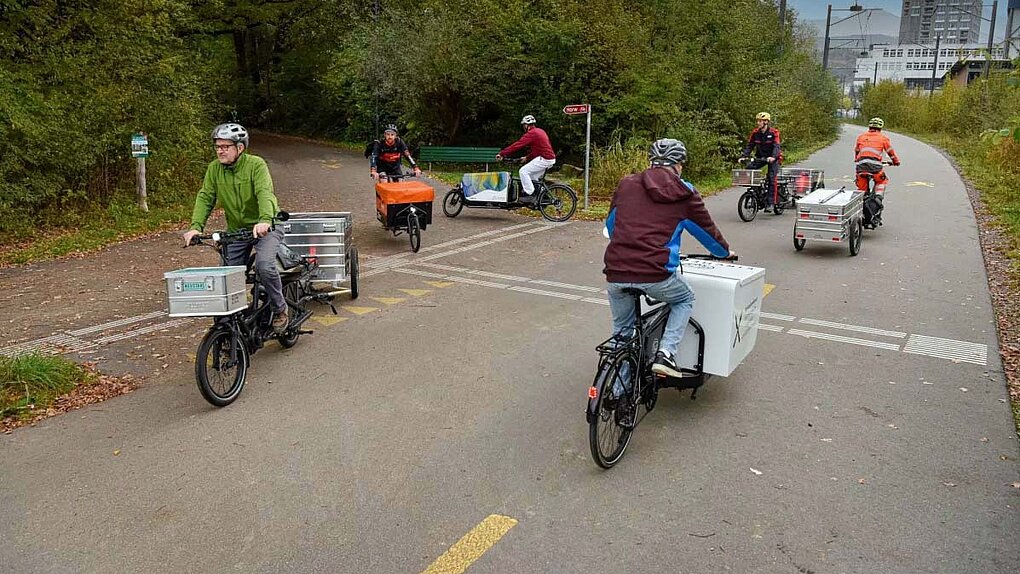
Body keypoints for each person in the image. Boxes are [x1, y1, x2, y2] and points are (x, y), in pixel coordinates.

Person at [603, 138, 734, 379]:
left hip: (616, 272)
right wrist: (724, 253)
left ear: (652, 161)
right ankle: (665, 354)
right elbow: (707, 233)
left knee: (622, 333)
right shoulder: (685, 192)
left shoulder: (626, 184)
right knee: (684, 298)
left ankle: (617, 391)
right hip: (655, 273)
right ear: (678, 165)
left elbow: (612, 226)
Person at [182, 123, 289, 333]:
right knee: (225, 276)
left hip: (266, 227)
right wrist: (195, 227)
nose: (220, 151)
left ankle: (280, 309)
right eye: (217, 146)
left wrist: (265, 219)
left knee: (264, 266)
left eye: (225, 146)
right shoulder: (214, 169)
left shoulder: (256, 165)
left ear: (240, 148)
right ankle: (231, 320)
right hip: (237, 232)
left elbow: (264, 193)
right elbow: (205, 197)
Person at [495, 115, 556, 204]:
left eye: (524, 125)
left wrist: (502, 153)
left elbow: (518, 145)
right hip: (549, 158)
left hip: (545, 159)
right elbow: (538, 150)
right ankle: (542, 195)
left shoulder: (532, 133)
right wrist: (527, 157)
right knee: (533, 177)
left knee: (523, 171)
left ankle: (529, 194)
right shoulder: (540, 131)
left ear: (526, 125)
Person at [854, 117, 901, 228]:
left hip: (861, 167)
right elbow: (891, 152)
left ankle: (861, 204)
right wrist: (896, 162)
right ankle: (878, 199)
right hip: (875, 168)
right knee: (882, 181)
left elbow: (856, 151)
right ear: (880, 128)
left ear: (869, 127)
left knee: (861, 191)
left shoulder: (861, 137)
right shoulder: (883, 138)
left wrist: (857, 160)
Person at [738, 112, 782, 213]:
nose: (758, 123)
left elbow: (776, 146)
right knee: (749, 169)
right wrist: (744, 156)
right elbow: (750, 145)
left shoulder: (774, 132)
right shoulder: (755, 133)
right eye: (757, 121)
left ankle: (770, 203)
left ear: (766, 122)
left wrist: (773, 157)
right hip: (760, 158)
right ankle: (758, 193)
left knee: (771, 178)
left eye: (760, 121)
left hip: (773, 158)